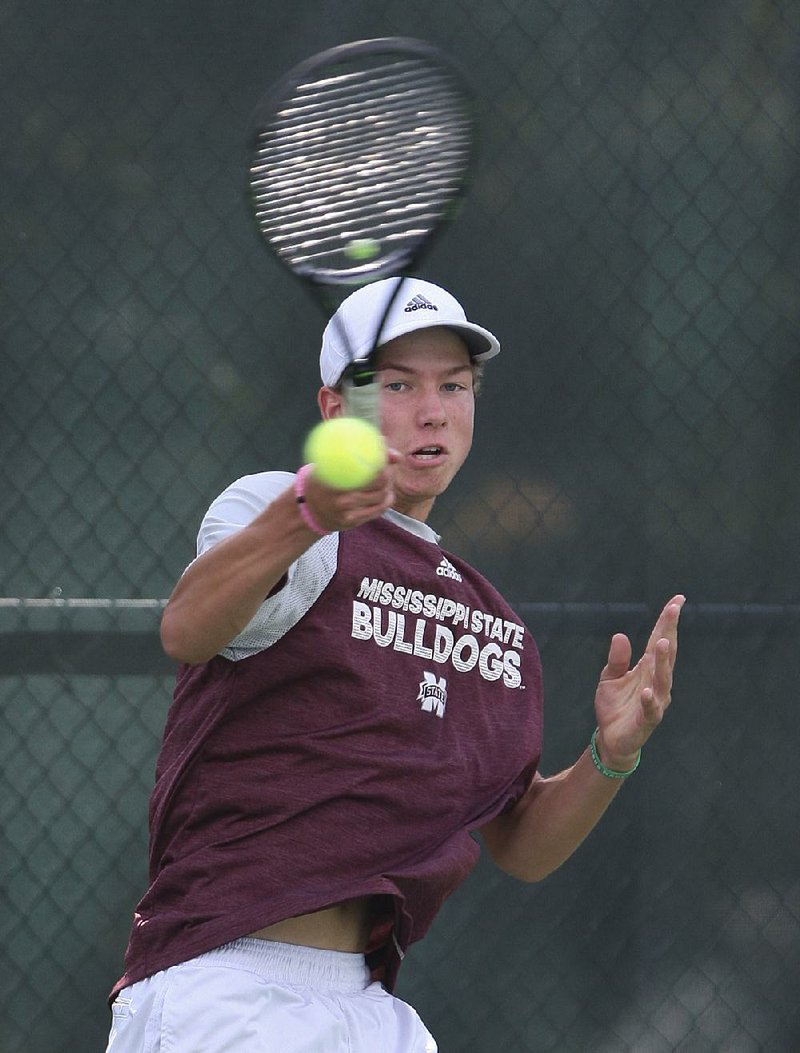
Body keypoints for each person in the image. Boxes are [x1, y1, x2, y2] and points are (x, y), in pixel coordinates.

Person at [106, 276, 684, 1053]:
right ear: (335, 410)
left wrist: (611, 757)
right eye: (399, 384)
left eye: (454, 384)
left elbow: (520, 840)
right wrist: (306, 512)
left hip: (371, 1006)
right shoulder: (283, 513)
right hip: (227, 983)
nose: (433, 408)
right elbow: (188, 627)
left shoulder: (493, 626)